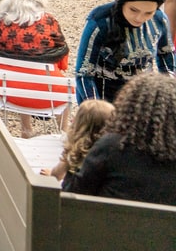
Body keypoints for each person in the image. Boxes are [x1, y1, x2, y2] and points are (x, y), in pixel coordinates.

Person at [63, 72, 176, 206]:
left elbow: (71, 195)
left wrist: (72, 156)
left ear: (129, 107)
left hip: (106, 225)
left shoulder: (111, 147)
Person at [74, 0, 175, 103]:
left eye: (149, 13)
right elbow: (84, 72)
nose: (140, 18)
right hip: (103, 96)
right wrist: (95, 108)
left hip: (143, 97)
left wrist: (168, 91)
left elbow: (166, 55)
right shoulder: (100, 21)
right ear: (121, 2)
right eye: (133, 10)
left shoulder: (159, 20)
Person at [0, 0, 70, 138]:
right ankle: (64, 131)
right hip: (46, 91)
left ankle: (26, 128)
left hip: (9, 90)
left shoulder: (2, 24)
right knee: (67, 87)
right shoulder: (48, 21)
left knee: (19, 70)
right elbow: (62, 50)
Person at [44, 99, 114, 182]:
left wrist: (50, 174)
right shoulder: (112, 152)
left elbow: (56, 175)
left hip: (73, 193)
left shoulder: (76, 152)